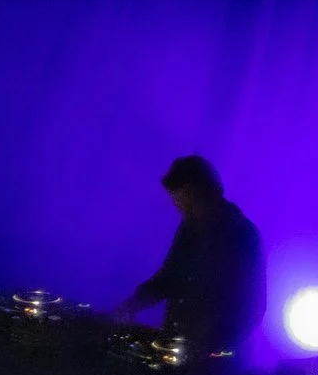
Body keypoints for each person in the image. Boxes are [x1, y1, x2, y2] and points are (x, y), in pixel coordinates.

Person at [114, 155, 266, 362]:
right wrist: (133, 304)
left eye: (190, 206)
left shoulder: (244, 236)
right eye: (181, 208)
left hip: (214, 365)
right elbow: (169, 277)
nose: (185, 214)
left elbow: (253, 307)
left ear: (210, 193)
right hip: (180, 354)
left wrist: (215, 342)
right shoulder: (191, 228)